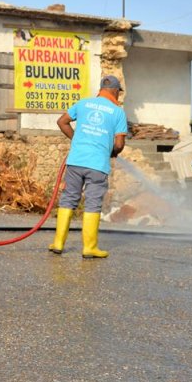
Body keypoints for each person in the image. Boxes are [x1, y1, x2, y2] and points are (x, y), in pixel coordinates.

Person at [50, 75, 128, 258]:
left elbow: (62, 121)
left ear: (101, 89)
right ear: (116, 92)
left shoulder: (83, 103)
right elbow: (119, 144)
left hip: (76, 161)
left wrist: (77, 139)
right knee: (93, 203)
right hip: (98, 165)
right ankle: (89, 248)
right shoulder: (118, 112)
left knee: (68, 199)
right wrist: (112, 152)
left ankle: (58, 243)